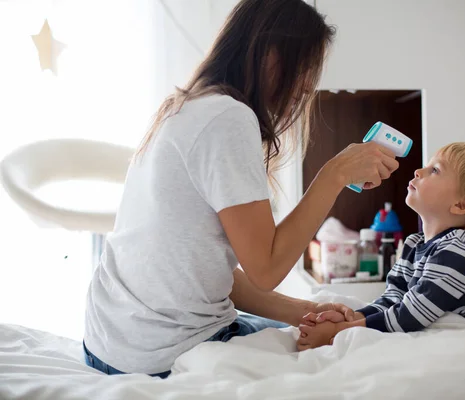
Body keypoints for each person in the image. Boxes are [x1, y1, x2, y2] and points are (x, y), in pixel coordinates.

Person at [82, 0, 399, 378]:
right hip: (161, 355)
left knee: (326, 325)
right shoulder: (228, 118)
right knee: (354, 350)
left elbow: (200, 268)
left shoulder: (184, 106)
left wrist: (302, 310)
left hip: (108, 342)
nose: (305, 86)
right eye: (305, 66)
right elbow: (265, 270)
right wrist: (333, 175)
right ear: (271, 54)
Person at [297, 142, 465, 351]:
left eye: (434, 170)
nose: (418, 171)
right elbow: (393, 298)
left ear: (461, 205)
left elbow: (412, 314)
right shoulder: (414, 244)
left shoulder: (460, 251)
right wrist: (355, 316)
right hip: (425, 320)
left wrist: (339, 332)